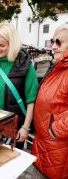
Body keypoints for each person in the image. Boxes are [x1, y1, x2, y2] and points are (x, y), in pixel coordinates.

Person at [31, 23, 68, 178]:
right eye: (53, 41)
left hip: (58, 150)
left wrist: (55, 130)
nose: (53, 46)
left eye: (59, 42)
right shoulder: (58, 67)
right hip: (42, 145)